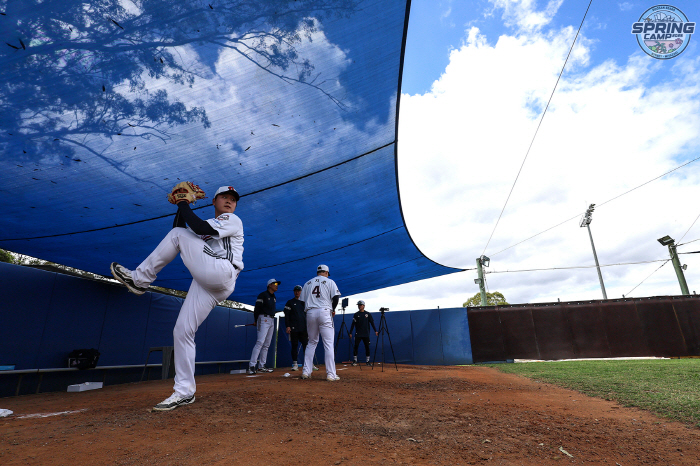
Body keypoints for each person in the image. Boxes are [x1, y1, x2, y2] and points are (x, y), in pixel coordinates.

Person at [110, 186, 243, 411]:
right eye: (224, 197)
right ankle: (184, 391)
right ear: (214, 200)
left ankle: (140, 280)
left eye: (233, 199)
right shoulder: (210, 226)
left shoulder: (232, 219)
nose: (229, 201)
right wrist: (184, 205)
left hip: (221, 271)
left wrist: (183, 203)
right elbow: (180, 229)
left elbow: (192, 228)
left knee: (177, 236)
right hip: (210, 282)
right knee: (182, 331)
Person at [300, 264, 341, 381]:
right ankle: (330, 374)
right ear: (326, 273)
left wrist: (309, 312)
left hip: (310, 312)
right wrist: (332, 309)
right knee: (328, 343)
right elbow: (336, 298)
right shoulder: (330, 281)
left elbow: (302, 302)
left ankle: (306, 372)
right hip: (324, 311)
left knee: (311, 342)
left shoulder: (307, 283)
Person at [247, 278, 280, 374]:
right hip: (263, 318)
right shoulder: (262, 295)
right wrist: (256, 320)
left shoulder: (274, 297)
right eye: (275, 283)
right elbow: (257, 308)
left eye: (277, 284)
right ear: (269, 285)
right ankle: (252, 366)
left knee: (266, 344)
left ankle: (261, 366)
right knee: (260, 342)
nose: (276, 285)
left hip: (271, 319)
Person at [283, 285, 309, 371]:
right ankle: (295, 364)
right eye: (295, 291)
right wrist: (288, 326)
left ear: (301, 292)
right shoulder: (290, 302)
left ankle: (308, 364)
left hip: (304, 328)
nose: (297, 292)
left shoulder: (305, 302)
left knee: (307, 346)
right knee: (294, 346)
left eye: (299, 291)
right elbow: (287, 315)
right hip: (294, 328)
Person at [348, 300, 378, 366]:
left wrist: (375, 331)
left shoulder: (368, 314)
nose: (359, 306)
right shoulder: (356, 314)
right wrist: (350, 332)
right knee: (356, 347)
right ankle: (355, 361)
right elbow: (353, 324)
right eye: (358, 305)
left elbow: (372, 323)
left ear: (364, 306)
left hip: (366, 334)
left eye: (361, 305)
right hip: (358, 334)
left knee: (367, 347)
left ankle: (367, 361)